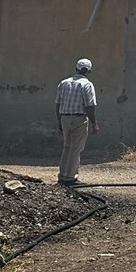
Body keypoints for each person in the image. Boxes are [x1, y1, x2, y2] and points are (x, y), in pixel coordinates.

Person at [55, 58, 98, 186]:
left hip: (65, 117)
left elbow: (58, 104)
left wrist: (59, 120)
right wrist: (94, 123)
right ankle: (70, 177)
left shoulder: (63, 83)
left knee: (67, 147)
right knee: (76, 149)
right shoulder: (87, 85)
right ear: (89, 71)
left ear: (76, 68)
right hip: (79, 119)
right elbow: (89, 106)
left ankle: (63, 175)